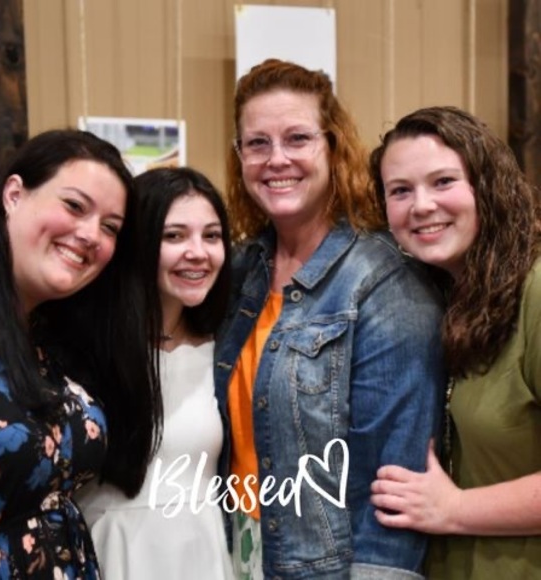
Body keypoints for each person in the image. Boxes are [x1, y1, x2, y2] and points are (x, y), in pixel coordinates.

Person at [214, 58, 448, 579]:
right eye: (257, 143)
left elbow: (397, 489)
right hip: (235, 549)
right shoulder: (239, 271)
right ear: (239, 156)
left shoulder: (385, 284)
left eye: (298, 138)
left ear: (334, 146)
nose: (277, 159)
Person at [0, 129, 161, 578]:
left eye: (110, 227)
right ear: (14, 194)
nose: (90, 235)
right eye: (74, 206)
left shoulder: (51, 332)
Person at [369, 105, 541, 579]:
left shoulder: (535, 289)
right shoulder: (434, 299)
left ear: (487, 185)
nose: (422, 205)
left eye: (443, 181)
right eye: (400, 190)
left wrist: (455, 509)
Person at [77, 167, 234, 580]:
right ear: (140, 244)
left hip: (203, 549)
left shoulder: (222, 350)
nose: (198, 252)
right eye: (174, 236)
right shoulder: (85, 349)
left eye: (212, 236)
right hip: (114, 548)